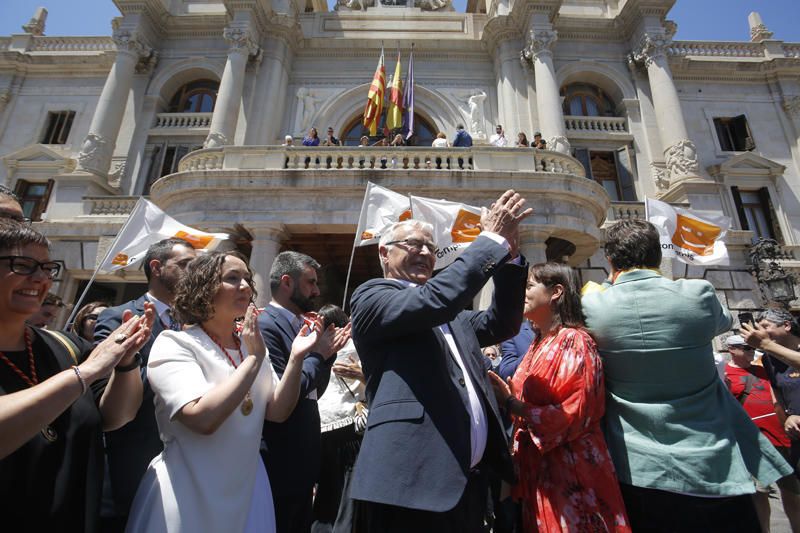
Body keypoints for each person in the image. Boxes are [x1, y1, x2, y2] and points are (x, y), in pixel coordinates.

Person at [581, 219, 792, 532]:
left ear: (609, 260)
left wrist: (606, 287)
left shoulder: (593, 302)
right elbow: (721, 324)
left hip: (636, 466)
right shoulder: (697, 294)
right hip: (712, 461)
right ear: (657, 256)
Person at [348, 190, 532, 532]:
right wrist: (490, 239)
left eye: (430, 248)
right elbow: (437, 300)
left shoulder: (454, 315)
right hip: (410, 486)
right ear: (384, 253)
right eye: (413, 244)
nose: (424, 252)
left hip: (466, 486)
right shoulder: (372, 297)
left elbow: (501, 323)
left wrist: (509, 258)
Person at [126, 251, 332, 533]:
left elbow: (277, 412)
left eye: (247, 278)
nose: (246, 286)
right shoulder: (175, 343)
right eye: (232, 278)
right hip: (189, 485)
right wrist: (253, 361)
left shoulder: (251, 345)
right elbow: (202, 419)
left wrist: (297, 357)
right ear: (203, 287)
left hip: (248, 485)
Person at [0, 219, 154, 532]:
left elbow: (116, 416)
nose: (41, 278)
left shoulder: (64, 346)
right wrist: (85, 373)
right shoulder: (81, 364)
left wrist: (125, 363)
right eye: (24, 264)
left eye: (47, 267)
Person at [489, 262, 630, 532]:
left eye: (529, 286)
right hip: (541, 476)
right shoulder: (539, 342)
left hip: (572, 476)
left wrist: (511, 403)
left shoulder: (575, 341)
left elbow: (573, 414)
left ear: (556, 292)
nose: (523, 292)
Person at [94, 237, 197, 528]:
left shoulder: (195, 325)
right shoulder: (118, 318)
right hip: (129, 471)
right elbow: (105, 398)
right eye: (186, 265)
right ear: (157, 267)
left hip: (180, 472)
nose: (194, 272)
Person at [257, 251, 350, 533]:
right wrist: (318, 354)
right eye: (310, 282)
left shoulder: (303, 325)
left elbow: (313, 393)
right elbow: (287, 391)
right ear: (287, 282)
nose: (317, 291)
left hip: (304, 455)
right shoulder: (265, 325)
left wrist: (328, 354)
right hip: (279, 456)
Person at [723, 333, 800, 532]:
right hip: (755, 444)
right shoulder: (724, 375)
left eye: (751, 347)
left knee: (793, 493)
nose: (751, 351)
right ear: (732, 349)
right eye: (745, 348)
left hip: (784, 439)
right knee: (759, 494)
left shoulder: (765, 368)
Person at [312, 304, 366, 533]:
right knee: (348, 498)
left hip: (320, 427)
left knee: (324, 496)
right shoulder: (359, 346)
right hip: (348, 428)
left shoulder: (315, 348)